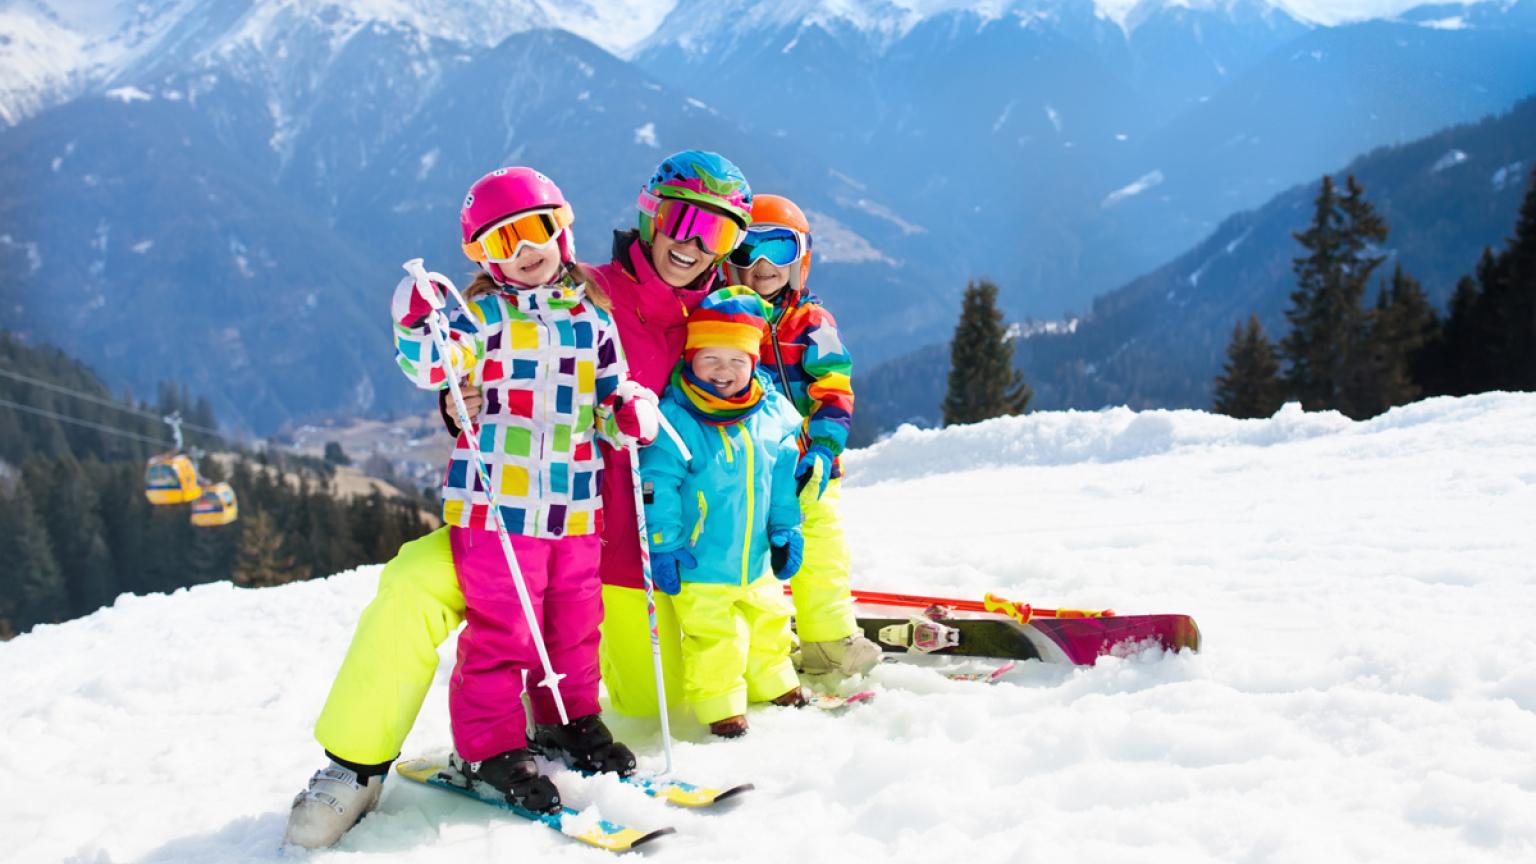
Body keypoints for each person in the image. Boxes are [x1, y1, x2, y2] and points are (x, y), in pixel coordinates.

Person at [283, 151, 752, 848]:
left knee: (583, 638)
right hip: (514, 510)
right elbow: (460, 359)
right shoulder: (583, 290)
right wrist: (452, 389)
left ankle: (562, 719)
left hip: (623, 543)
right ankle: (360, 764)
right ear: (648, 215)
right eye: (680, 219)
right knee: (432, 591)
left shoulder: (730, 322)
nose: (692, 242)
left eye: (715, 233)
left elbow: (768, 430)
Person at [723, 194, 881, 678]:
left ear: (801, 259)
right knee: (752, 562)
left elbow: (833, 388)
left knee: (821, 550)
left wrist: (823, 449)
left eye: (779, 248)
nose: (763, 263)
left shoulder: (812, 323)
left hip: (807, 467)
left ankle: (828, 640)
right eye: (747, 250)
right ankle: (758, 649)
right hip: (746, 470)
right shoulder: (722, 318)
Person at [639, 287, 806, 738]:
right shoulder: (677, 416)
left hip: (755, 558)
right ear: (690, 359)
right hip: (702, 559)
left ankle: (774, 681)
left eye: (737, 361)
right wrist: (665, 544)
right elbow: (658, 482)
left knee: (770, 621)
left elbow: (783, 479)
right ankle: (721, 704)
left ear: (753, 364)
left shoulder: (769, 414)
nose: (723, 372)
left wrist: (786, 527)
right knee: (715, 636)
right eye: (711, 358)